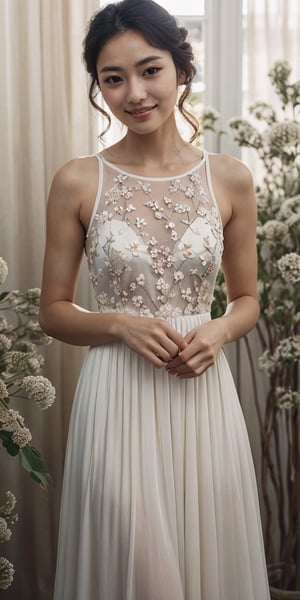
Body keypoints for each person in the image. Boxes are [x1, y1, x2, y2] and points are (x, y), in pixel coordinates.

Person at [39, 0, 271, 598]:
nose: (134, 92)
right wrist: (117, 325)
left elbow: (247, 298)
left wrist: (218, 330)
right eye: (113, 78)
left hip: (202, 399)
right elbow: (54, 311)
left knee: (205, 563)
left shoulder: (230, 177)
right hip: (117, 399)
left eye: (150, 70)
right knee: (139, 570)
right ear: (99, 87)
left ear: (181, 69)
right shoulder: (77, 180)